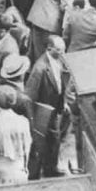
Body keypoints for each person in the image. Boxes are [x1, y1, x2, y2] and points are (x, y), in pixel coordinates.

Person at [26, 36, 69, 179]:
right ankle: (37, 173)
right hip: (43, 113)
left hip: (55, 108)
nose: (62, 52)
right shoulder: (39, 69)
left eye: (63, 49)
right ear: (49, 48)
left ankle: (51, 168)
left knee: (54, 140)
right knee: (42, 144)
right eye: (59, 50)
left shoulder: (58, 59)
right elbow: (30, 95)